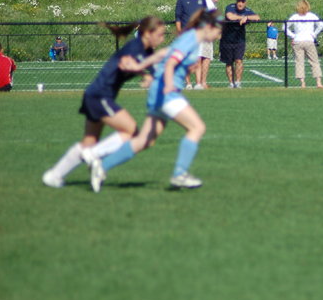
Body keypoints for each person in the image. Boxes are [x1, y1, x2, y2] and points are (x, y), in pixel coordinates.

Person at [90, 10, 224, 192]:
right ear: (208, 26)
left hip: (158, 92)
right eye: (218, 31)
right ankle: (180, 174)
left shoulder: (192, 39)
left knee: (145, 140)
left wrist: (139, 66)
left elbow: (164, 53)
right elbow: (170, 63)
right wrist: (169, 85)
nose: (219, 36)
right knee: (197, 128)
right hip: (166, 92)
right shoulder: (191, 39)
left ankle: (101, 166)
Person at [42, 17, 167, 188]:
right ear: (147, 33)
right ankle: (93, 154)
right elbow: (125, 62)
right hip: (100, 96)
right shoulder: (135, 47)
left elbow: (154, 71)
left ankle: (53, 176)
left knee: (89, 141)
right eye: (160, 35)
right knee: (131, 131)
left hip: (94, 94)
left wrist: (151, 76)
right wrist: (139, 72)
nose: (162, 39)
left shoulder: (147, 51)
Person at [219, 0, 260, 88]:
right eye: (239, 1)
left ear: (245, 3)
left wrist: (247, 18)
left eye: (242, 2)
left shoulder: (247, 10)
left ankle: (238, 82)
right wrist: (241, 18)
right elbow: (229, 16)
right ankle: (231, 83)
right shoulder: (230, 7)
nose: (240, 4)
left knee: (238, 60)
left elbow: (257, 17)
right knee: (229, 62)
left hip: (239, 40)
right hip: (227, 39)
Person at [175, 0, 207, 89]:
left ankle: (198, 83)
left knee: (198, 59)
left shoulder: (202, 0)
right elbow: (178, 18)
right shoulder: (181, 0)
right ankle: (188, 83)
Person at [286, 0, 323, 88]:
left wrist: (293, 35)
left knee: (299, 62)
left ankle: (302, 83)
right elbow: (321, 25)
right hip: (309, 40)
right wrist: (314, 34)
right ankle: (318, 82)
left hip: (298, 41)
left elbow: (284, 27)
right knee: (314, 61)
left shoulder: (295, 17)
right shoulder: (312, 15)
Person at [194, 0, 221, 90]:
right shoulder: (207, 4)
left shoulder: (212, 5)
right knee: (201, 57)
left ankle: (202, 82)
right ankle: (200, 82)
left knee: (206, 57)